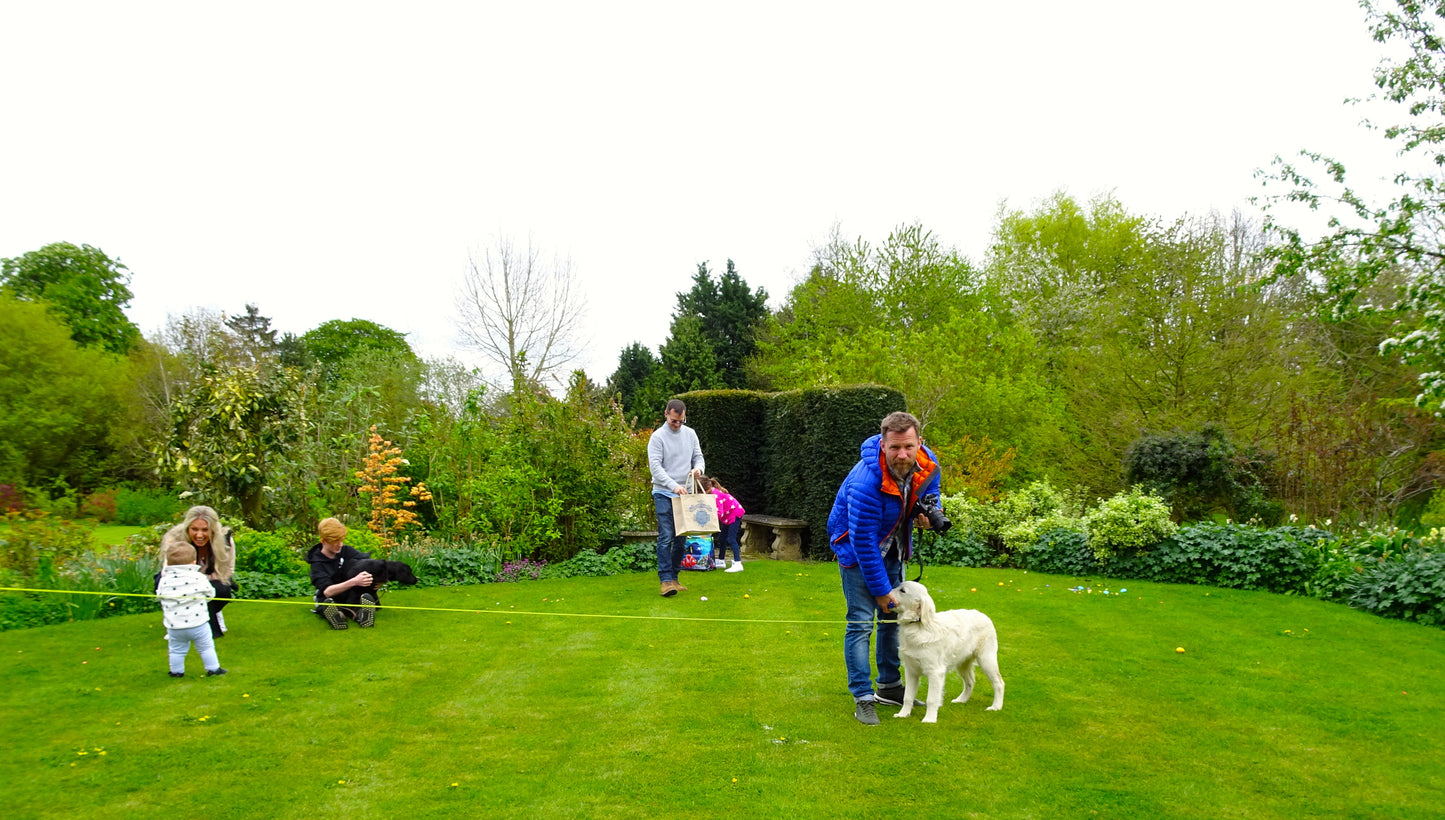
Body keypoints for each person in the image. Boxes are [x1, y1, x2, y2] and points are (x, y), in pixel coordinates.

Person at [827, 411, 941, 725]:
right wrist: (880, 592)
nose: (902, 455)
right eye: (895, 448)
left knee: (893, 619)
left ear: (919, 441)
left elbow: (931, 490)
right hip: (856, 549)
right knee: (862, 622)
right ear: (883, 443)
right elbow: (863, 540)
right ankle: (863, 697)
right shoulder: (867, 480)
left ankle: (890, 686)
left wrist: (930, 513)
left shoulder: (927, 461)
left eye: (908, 446)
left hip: (894, 546)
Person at [648, 398, 706, 597]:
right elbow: (656, 468)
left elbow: (698, 456)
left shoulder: (690, 434)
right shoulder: (657, 437)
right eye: (674, 420)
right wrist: (674, 486)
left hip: (686, 494)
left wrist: (698, 469)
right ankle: (665, 581)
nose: (678, 424)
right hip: (663, 493)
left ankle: (674, 578)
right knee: (666, 537)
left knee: (681, 539)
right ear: (666, 414)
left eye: (681, 420)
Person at [158, 505, 236, 639]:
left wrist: (201, 583)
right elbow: (167, 572)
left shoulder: (224, 540)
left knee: (223, 591)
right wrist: (192, 584)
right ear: (187, 527)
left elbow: (228, 570)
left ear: (213, 530)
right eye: (194, 529)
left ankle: (211, 615)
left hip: (212, 579)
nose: (199, 535)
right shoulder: (175, 538)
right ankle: (176, 625)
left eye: (205, 530)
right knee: (164, 586)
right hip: (179, 580)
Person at [156, 542, 226, 678]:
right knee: (206, 648)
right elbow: (211, 594)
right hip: (198, 623)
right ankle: (213, 669)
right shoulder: (199, 577)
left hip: (174, 626)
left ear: (168, 564)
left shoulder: (164, 580)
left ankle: (177, 672)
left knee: (176, 650)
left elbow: (160, 596)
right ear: (193, 561)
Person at [305, 517, 381, 629]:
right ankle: (337, 615)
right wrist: (355, 581)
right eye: (335, 542)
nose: (340, 544)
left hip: (350, 596)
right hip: (331, 597)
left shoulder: (346, 551)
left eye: (341, 540)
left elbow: (368, 563)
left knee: (357, 599)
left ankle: (362, 616)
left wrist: (378, 579)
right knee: (327, 603)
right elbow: (327, 591)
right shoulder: (317, 564)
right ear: (323, 541)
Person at [701, 475, 746, 573]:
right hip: (728, 516)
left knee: (731, 538)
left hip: (734, 514)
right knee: (722, 538)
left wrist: (709, 523)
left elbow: (719, 512)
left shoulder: (716, 495)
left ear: (706, 489)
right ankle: (721, 560)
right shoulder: (713, 493)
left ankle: (738, 563)